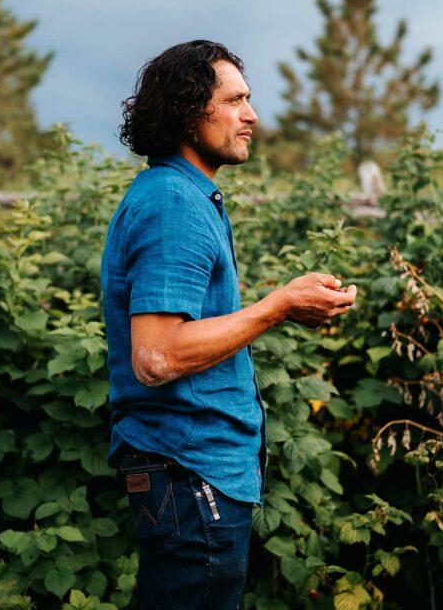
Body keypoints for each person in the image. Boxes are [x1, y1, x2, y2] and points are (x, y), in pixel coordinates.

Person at [100, 40, 357, 610]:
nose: (252, 115)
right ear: (191, 112)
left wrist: (289, 304)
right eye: (235, 100)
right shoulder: (173, 203)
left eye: (249, 99)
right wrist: (278, 305)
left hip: (186, 473)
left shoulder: (183, 194)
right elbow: (157, 356)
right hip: (189, 471)